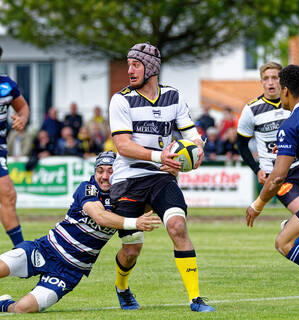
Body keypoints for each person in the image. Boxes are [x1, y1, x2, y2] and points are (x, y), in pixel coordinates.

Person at [108, 43, 214, 312]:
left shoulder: (173, 96)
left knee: (177, 227)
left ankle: (195, 299)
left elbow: (191, 135)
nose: (129, 70)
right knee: (131, 250)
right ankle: (122, 287)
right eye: (128, 64)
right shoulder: (121, 99)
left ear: (151, 68)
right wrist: (160, 157)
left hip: (161, 178)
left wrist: (199, 149)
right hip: (128, 178)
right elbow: (123, 146)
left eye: (136, 64)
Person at [0, 151, 161, 313]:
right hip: (44, 249)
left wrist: (166, 175)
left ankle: (4, 304)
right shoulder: (88, 188)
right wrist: (135, 222)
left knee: (23, 308)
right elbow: (100, 217)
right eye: (100, 171)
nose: (104, 176)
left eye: (110, 171)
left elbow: (150, 203)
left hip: (69, 272)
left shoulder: (126, 199)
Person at [246, 64, 299, 284]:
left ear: (285, 90)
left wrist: (257, 204)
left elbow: (278, 177)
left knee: (285, 242)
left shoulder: (290, 125)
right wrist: (291, 149)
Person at [0, 46, 30, 246]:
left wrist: (22, 119)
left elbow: (23, 107)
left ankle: (21, 252)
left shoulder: (7, 84)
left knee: (8, 195)